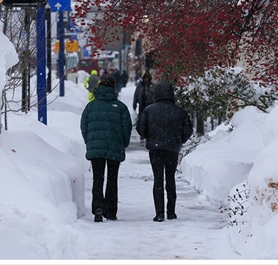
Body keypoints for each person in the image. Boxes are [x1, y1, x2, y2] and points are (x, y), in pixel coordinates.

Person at [136, 80, 194, 222]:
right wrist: (179, 140)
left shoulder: (149, 110)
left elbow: (140, 128)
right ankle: (171, 211)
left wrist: (149, 137)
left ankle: (159, 212)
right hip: (172, 149)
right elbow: (188, 130)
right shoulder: (179, 111)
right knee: (170, 178)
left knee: (158, 179)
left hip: (155, 149)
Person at [79, 76, 132, 222]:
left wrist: (90, 142)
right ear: (113, 89)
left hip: (96, 148)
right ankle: (111, 210)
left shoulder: (91, 106)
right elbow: (127, 129)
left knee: (98, 179)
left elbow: (84, 126)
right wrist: (123, 143)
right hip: (115, 148)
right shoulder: (120, 107)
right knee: (112, 179)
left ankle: (98, 208)